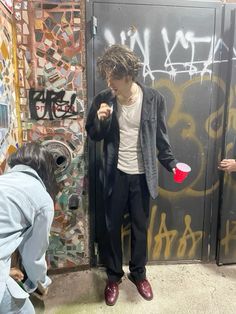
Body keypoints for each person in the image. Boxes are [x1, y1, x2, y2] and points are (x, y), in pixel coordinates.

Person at [86, 44, 177, 306]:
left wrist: (171, 164)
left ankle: (139, 274)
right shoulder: (104, 98)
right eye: (106, 75)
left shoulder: (153, 99)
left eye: (112, 75)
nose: (108, 81)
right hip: (115, 175)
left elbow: (161, 138)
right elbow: (93, 134)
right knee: (111, 228)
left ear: (128, 75)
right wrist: (101, 120)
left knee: (140, 228)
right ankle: (113, 276)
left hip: (142, 176)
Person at [0, 142, 58, 314]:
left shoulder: (4, 180)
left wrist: (7, 271)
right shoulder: (42, 199)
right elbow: (34, 257)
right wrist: (41, 283)